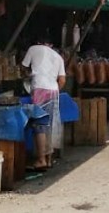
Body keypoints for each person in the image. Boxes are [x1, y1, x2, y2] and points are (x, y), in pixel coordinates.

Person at [21, 35, 66, 171]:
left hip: (39, 89)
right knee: (49, 125)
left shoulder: (33, 49)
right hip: (53, 91)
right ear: (51, 44)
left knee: (39, 125)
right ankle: (48, 159)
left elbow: (23, 67)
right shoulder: (58, 57)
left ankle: (41, 160)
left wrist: (29, 75)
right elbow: (62, 80)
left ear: (38, 42)